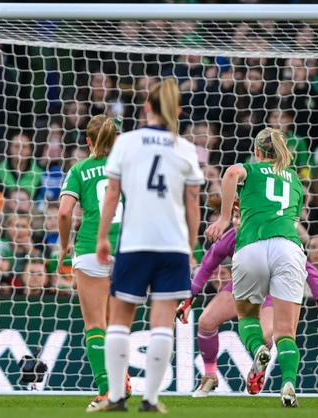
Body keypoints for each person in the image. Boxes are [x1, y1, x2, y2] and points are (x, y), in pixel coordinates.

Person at [95, 78, 204, 413]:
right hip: (171, 245)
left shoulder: (126, 142)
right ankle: (152, 400)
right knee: (162, 323)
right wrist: (190, 245)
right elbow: (193, 202)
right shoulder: (185, 148)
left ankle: (115, 397)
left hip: (135, 241)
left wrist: (101, 237)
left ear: (146, 107)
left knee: (119, 321)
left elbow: (112, 194)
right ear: (178, 110)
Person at [178, 194, 318, 397]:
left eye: (242, 216)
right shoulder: (231, 238)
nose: (238, 222)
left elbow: (309, 269)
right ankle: (210, 376)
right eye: (235, 217)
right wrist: (188, 298)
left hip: (274, 291)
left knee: (265, 337)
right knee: (206, 321)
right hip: (244, 287)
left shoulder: (273, 236)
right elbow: (207, 266)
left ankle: (261, 366)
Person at [205, 127, 307, 408]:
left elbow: (229, 174)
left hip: (251, 246)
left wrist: (225, 217)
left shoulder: (250, 168)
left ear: (258, 151)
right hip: (287, 246)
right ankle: (288, 383)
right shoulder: (296, 182)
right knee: (286, 330)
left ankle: (258, 348)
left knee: (247, 315)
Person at [57, 114, 131, 410]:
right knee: (117, 325)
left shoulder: (79, 169)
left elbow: (64, 213)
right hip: (127, 251)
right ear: (117, 140)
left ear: (88, 141)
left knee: (95, 325)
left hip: (90, 248)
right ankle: (121, 379)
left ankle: (107, 389)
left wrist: (65, 246)